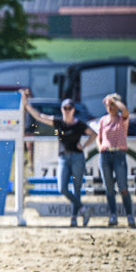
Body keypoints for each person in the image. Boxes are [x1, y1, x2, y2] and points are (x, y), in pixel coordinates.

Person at [23, 92, 97, 227]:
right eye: (65, 108)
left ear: (73, 110)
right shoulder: (58, 122)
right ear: (62, 109)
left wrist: (84, 146)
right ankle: (83, 209)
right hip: (63, 157)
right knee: (62, 187)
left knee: (76, 188)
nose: (67, 111)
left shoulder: (79, 124)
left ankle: (74, 218)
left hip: (77, 157)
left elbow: (93, 134)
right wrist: (27, 105)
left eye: (69, 108)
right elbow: (39, 117)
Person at [95, 93, 134, 227]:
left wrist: (115, 101)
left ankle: (129, 215)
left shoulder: (122, 119)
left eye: (112, 104)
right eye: (108, 104)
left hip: (119, 153)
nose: (110, 107)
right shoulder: (103, 120)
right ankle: (113, 215)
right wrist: (100, 147)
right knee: (109, 187)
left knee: (123, 186)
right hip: (105, 154)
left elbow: (125, 111)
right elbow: (98, 137)